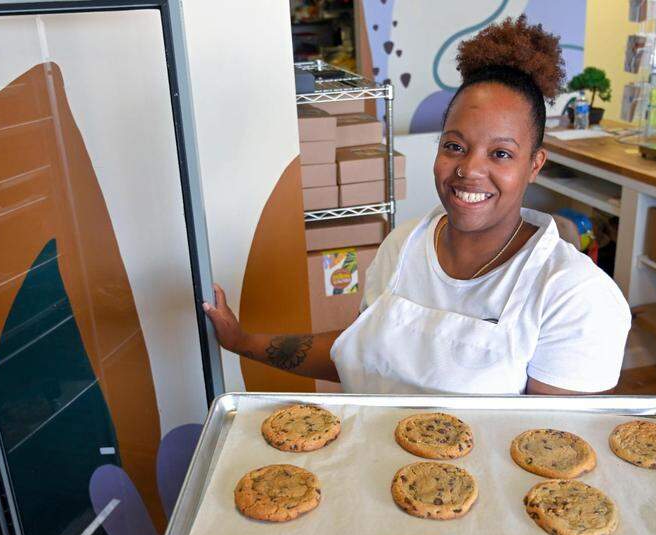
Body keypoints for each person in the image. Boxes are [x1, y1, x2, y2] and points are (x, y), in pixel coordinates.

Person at [203, 17, 630, 395]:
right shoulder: (404, 244)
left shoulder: (573, 295)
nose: (469, 170)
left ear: (534, 164)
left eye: (500, 154)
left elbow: (551, 456)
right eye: (455, 146)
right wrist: (243, 341)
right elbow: (358, 353)